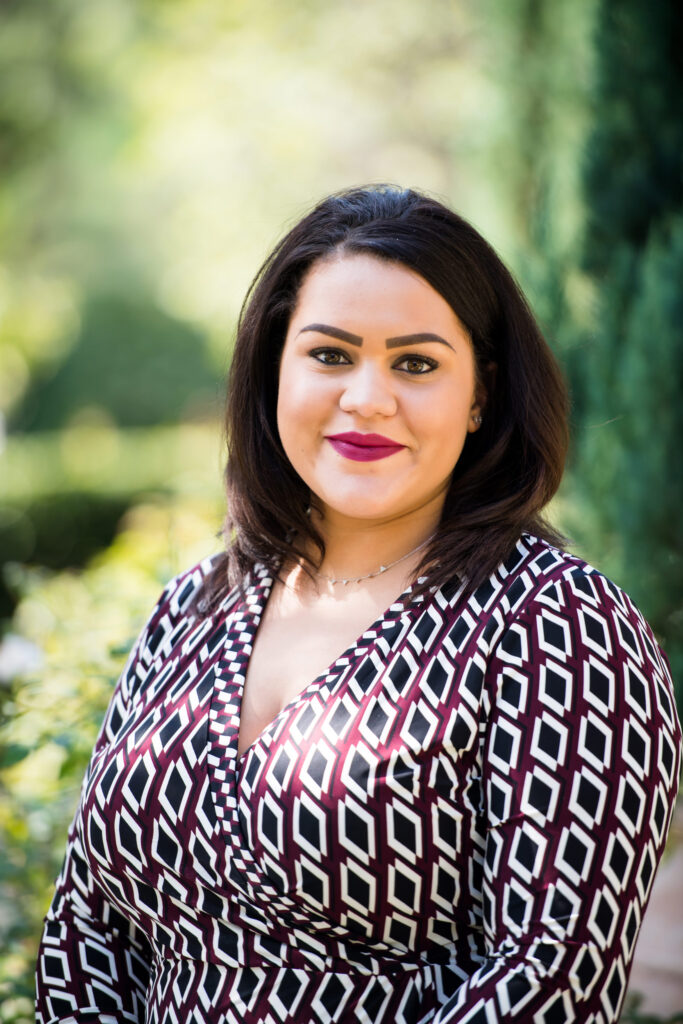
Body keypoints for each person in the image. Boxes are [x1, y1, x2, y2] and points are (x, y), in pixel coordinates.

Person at [36, 186, 681, 1024]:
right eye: (330, 355)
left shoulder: (559, 629)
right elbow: (86, 929)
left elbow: (545, 981)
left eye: (415, 363)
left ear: (479, 395)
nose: (367, 397)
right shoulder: (195, 606)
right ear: (275, 366)